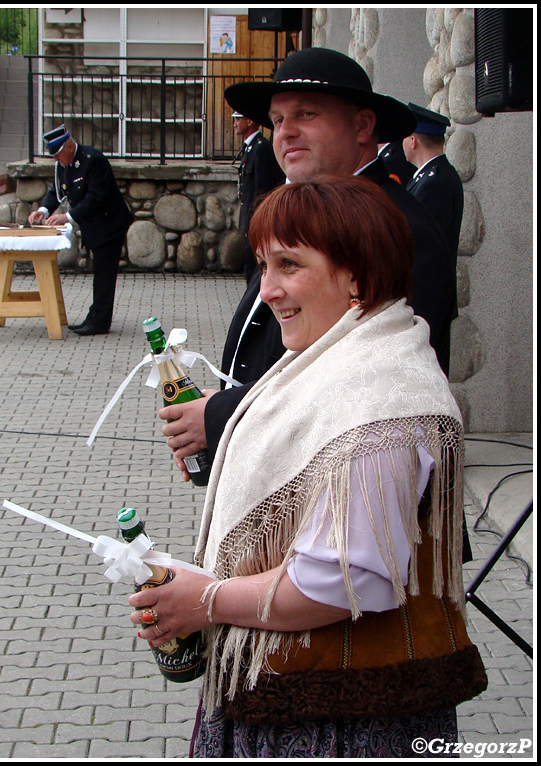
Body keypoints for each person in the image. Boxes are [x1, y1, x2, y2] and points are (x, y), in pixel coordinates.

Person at [130, 176, 487, 758]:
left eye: (289, 265)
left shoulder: (380, 395)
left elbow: (350, 580)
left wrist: (206, 599)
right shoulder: (339, 360)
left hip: (337, 718)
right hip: (300, 692)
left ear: (359, 277)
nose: (267, 290)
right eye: (263, 266)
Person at [160, 47, 457, 479]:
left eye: (307, 114)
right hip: (282, 472)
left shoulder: (398, 229)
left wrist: (222, 415)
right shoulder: (299, 213)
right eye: (278, 120)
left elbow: (364, 379)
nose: (285, 132)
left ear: (362, 125)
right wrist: (219, 416)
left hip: (355, 499)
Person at [29, 125, 134, 335]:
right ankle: (93, 316)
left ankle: (100, 322)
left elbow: (96, 197)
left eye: (59, 156)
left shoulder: (93, 160)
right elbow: (58, 190)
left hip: (109, 224)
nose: (58, 161)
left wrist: (67, 217)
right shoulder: (64, 164)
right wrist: (43, 210)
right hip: (93, 226)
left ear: (69, 145)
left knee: (105, 275)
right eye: (56, 158)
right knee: (99, 274)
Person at [403, 103, 464, 269]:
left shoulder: (434, 183)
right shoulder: (432, 175)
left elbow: (423, 245)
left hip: (428, 289)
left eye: (405, 137)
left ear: (413, 141)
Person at [232, 111, 285, 282]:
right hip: (249, 214)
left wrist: (256, 220)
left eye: (238, 119)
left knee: (254, 263)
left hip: (256, 216)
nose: (234, 123)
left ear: (250, 121)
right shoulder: (251, 147)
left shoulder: (261, 148)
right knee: (250, 262)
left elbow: (263, 189)